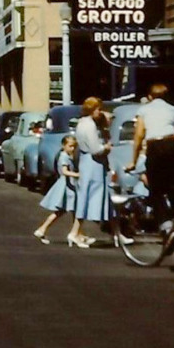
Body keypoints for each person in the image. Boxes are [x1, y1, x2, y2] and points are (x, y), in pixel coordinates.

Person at [124, 83, 174, 234]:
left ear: (150, 97)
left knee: (154, 187)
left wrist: (133, 160)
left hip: (156, 146)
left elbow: (138, 136)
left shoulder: (144, 110)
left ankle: (166, 224)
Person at [69, 97, 112, 248]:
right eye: (98, 109)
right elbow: (95, 149)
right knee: (88, 198)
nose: (100, 112)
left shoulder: (82, 123)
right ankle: (75, 233)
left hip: (86, 163)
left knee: (85, 197)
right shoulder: (90, 126)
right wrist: (106, 147)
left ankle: (78, 232)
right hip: (93, 164)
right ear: (92, 109)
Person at [33, 135, 81, 245]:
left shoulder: (67, 156)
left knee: (71, 211)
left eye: (74, 146)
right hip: (66, 185)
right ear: (64, 146)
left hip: (69, 185)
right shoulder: (64, 157)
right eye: (70, 146)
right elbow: (64, 171)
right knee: (67, 211)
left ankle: (77, 233)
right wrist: (77, 175)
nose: (72, 149)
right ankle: (42, 229)